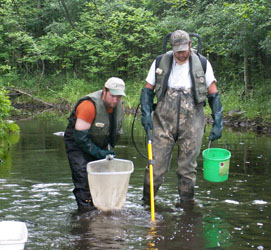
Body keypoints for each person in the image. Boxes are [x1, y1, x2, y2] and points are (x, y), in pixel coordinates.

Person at [140, 30, 223, 205]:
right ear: (172, 48)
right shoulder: (159, 62)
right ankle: (147, 204)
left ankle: (187, 209)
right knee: (155, 167)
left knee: (187, 169)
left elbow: (213, 93)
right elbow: (148, 89)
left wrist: (218, 122)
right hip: (162, 121)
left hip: (193, 123)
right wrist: (146, 114)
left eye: (184, 49)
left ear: (190, 46)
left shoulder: (202, 63)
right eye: (177, 50)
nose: (181, 53)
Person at [64, 77, 126, 211]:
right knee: (83, 179)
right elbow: (80, 139)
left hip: (100, 142)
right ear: (104, 91)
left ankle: (102, 211)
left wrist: (105, 152)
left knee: (104, 180)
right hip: (77, 144)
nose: (115, 100)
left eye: (119, 97)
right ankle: (85, 217)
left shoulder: (119, 106)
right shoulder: (88, 106)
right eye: (113, 96)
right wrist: (99, 153)